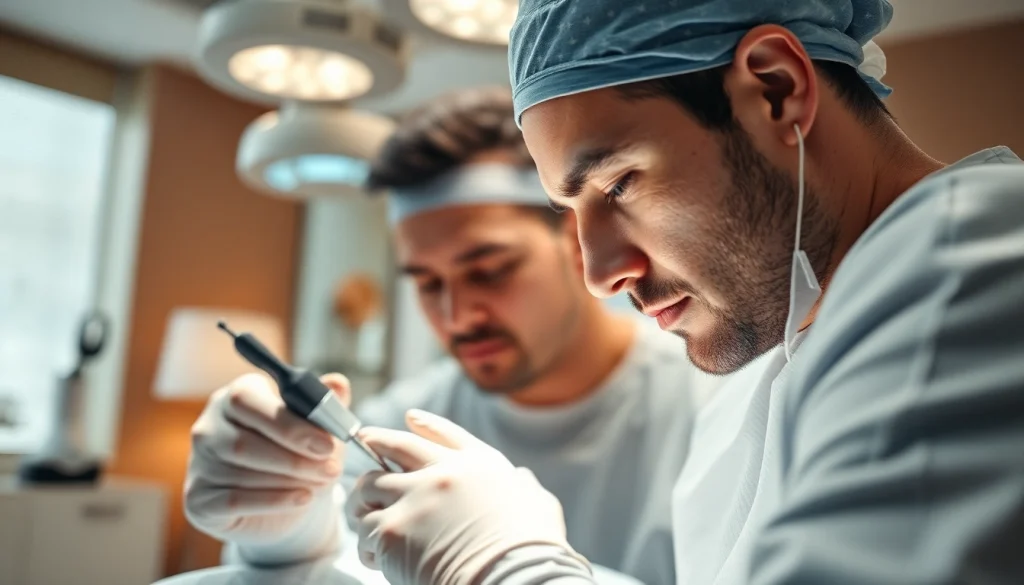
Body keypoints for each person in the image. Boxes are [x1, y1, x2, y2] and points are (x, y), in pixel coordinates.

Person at [344, 1, 1024, 585]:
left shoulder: (974, 267)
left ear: (777, 89)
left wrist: (506, 566)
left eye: (618, 185)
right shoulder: (764, 363)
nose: (600, 273)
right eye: (571, 211)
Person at [184, 87, 709, 585]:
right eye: (427, 283)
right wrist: (287, 536)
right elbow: (328, 555)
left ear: (578, 243)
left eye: (489, 271)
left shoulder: (709, 407)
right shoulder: (402, 422)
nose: (456, 317)